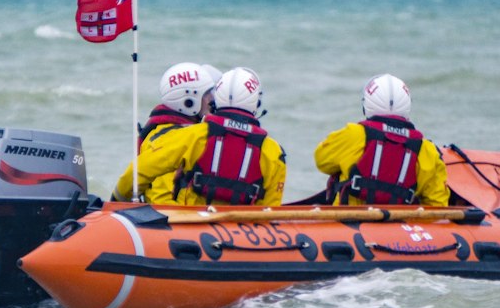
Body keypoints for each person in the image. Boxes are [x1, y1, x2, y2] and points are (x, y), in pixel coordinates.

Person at [128, 66, 287, 207]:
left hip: (192, 224)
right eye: (208, 95)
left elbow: (139, 174)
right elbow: (269, 211)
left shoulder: (192, 136)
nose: (212, 101)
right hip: (219, 230)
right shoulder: (273, 152)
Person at [314, 73, 449, 207]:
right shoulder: (427, 150)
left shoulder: (353, 134)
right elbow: (438, 203)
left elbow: (322, 160)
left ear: (366, 105)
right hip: (399, 224)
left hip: (348, 221)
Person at [112, 61, 218, 202]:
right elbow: (161, 198)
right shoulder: (170, 138)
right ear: (188, 100)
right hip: (170, 218)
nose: (212, 100)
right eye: (207, 95)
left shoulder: (173, 130)